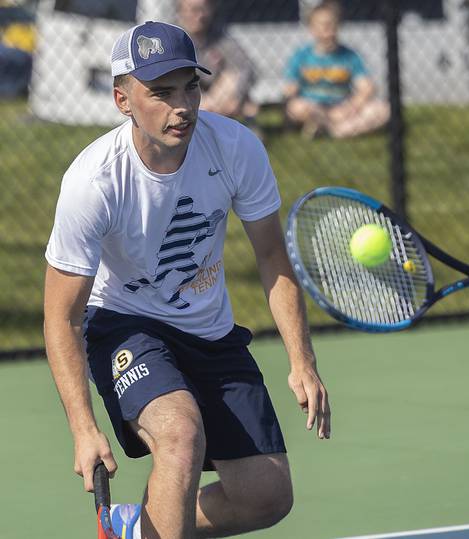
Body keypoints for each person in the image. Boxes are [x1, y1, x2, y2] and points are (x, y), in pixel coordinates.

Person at [43, 20, 330, 539]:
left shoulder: (235, 148)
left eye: (191, 86)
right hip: (122, 324)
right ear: (122, 100)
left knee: (266, 496)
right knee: (179, 434)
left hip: (210, 331)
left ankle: (138, 528)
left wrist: (301, 359)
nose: (183, 105)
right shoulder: (94, 182)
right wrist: (83, 429)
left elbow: (271, 255)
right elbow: (61, 315)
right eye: (161, 92)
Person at [283, 0, 390, 139]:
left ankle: (334, 130)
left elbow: (366, 87)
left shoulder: (349, 56)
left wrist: (351, 107)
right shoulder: (301, 56)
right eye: (322, 25)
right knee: (296, 107)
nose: (327, 29)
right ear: (312, 28)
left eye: (331, 24)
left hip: (344, 106)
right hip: (314, 107)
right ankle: (336, 128)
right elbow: (289, 89)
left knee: (384, 110)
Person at [176, 0, 260, 122]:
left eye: (203, 9)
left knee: (248, 105)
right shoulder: (175, 38)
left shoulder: (219, 36)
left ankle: (245, 135)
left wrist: (235, 96)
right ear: (181, 11)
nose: (200, 16)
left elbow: (245, 68)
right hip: (189, 93)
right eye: (193, 10)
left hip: (220, 95)